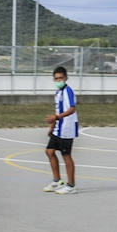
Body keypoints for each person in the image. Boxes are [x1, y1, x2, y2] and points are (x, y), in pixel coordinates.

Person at [43, 65, 79, 194]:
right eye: (56, 79)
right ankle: (57, 180)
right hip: (58, 128)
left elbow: (72, 109)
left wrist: (56, 117)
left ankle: (71, 185)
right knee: (49, 151)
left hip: (67, 128)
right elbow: (57, 110)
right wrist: (52, 126)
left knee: (66, 155)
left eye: (61, 78)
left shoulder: (68, 91)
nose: (59, 81)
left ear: (66, 78)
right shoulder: (58, 93)